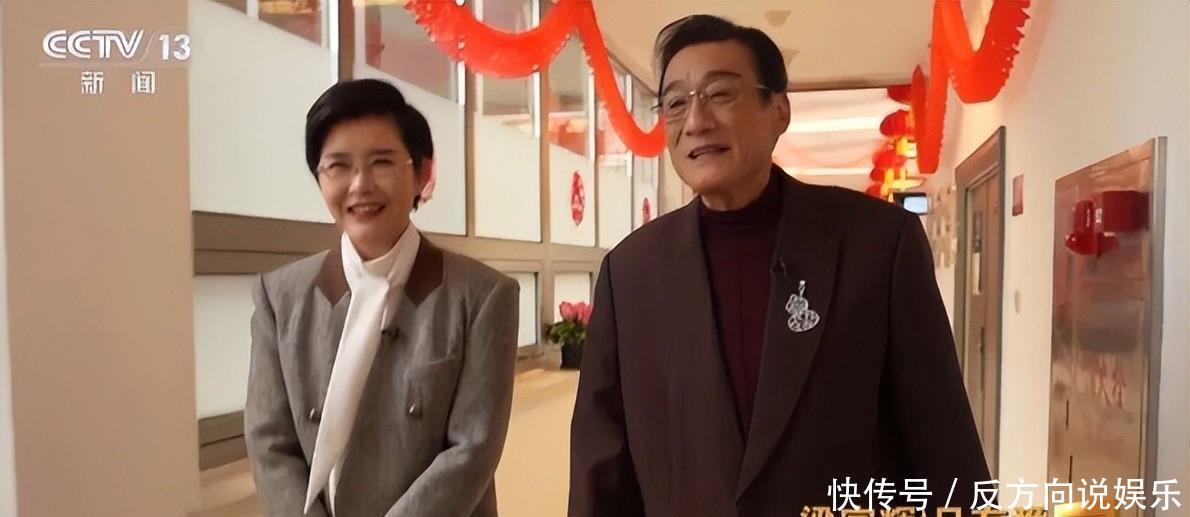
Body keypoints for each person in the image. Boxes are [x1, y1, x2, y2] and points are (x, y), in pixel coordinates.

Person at [568, 15, 989, 517]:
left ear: (779, 110)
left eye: (720, 94)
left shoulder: (877, 243)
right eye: (676, 103)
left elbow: (943, 446)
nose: (696, 120)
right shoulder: (630, 273)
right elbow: (602, 468)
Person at [245, 79, 519, 517]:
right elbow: (269, 443)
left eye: (382, 162)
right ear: (319, 178)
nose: (360, 185)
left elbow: (473, 449)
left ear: (422, 173)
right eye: (338, 166)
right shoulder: (280, 297)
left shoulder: (482, 296)